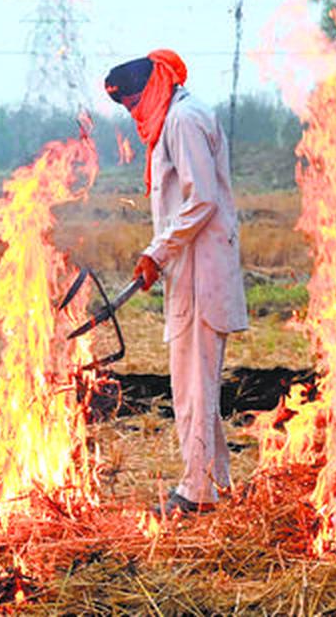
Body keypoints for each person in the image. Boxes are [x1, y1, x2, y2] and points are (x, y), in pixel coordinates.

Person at [105, 50, 249, 516]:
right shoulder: (174, 119)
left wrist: (157, 252)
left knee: (193, 388)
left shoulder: (184, 120)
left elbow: (202, 198)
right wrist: (160, 255)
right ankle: (217, 484)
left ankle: (196, 493)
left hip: (201, 274)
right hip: (187, 271)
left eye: (131, 105)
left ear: (149, 89)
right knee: (195, 385)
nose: (133, 116)